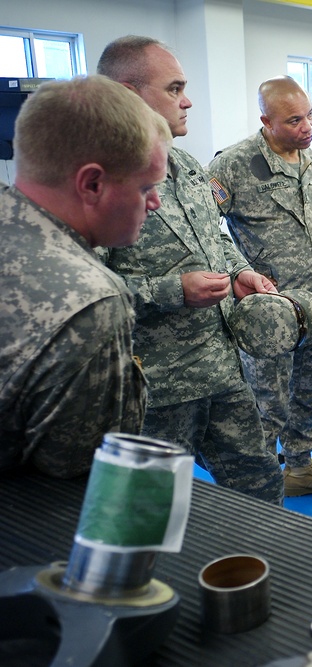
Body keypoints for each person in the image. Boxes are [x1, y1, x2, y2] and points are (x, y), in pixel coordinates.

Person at [97, 36, 284, 505]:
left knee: (262, 485)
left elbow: (215, 235)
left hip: (221, 369)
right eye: (174, 87)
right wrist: (172, 291)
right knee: (146, 509)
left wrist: (239, 271)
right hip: (155, 388)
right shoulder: (102, 180)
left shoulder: (183, 164)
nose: (188, 100)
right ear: (129, 94)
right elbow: (90, 294)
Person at [0, 75, 170, 478]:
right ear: (92, 184)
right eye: (146, 186)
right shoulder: (91, 303)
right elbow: (78, 481)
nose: (156, 203)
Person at [208, 76, 312, 497]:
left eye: (310, 116)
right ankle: (257, 479)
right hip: (267, 312)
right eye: (294, 120)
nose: (307, 126)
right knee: (263, 400)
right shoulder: (233, 165)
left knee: (309, 389)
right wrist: (237, 277)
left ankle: (301, 467)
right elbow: (203, 229)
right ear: (266, 121)